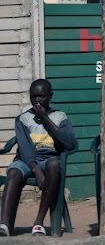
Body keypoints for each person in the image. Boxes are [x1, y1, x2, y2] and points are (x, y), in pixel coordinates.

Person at [0, 79, 76, 236]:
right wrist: (36, 171)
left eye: (41, 96)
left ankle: (38, 223)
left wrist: (45, 119)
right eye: (33, 96)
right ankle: (4, 225)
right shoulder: (23, 119)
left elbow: (70, 144)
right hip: (26, 161)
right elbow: (25, 148)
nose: (37, 100)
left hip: (48, 160)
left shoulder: (59, 117)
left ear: (50, 96)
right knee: (13, 172)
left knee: (54, 164)